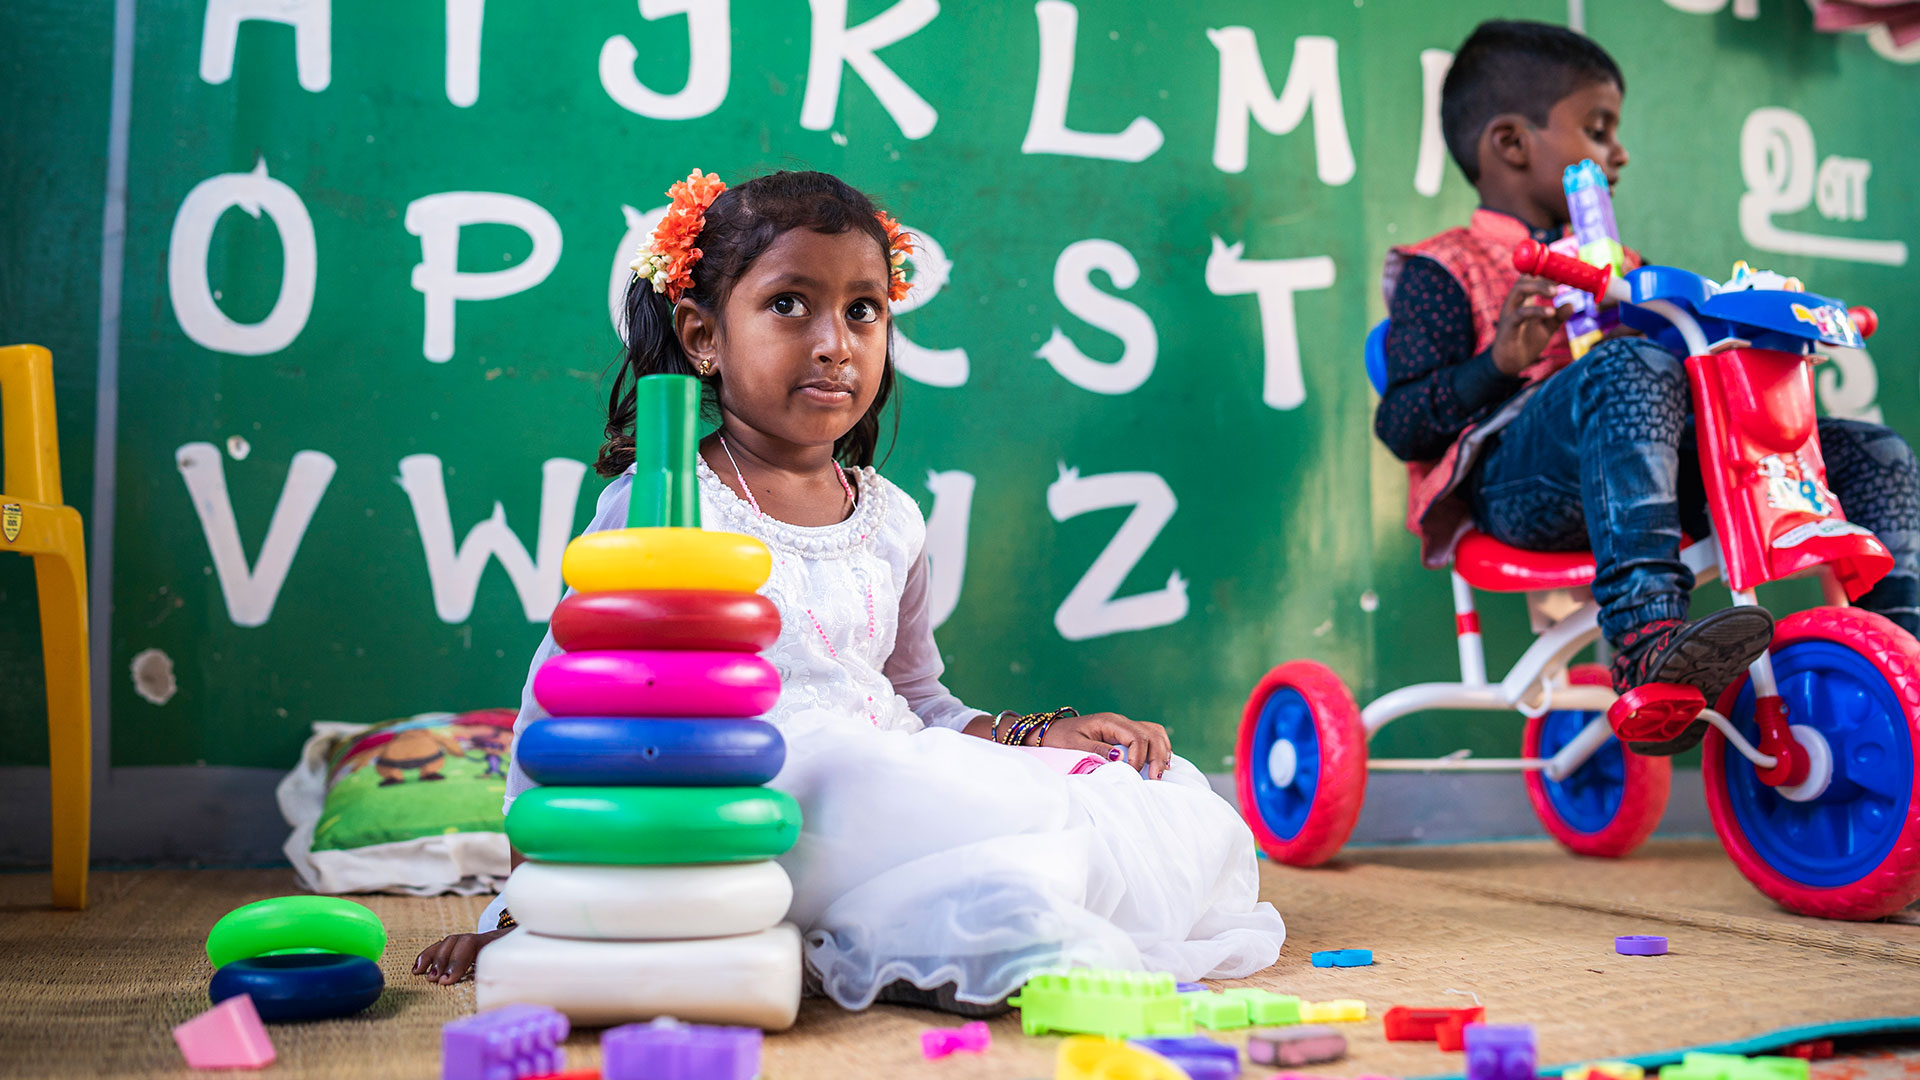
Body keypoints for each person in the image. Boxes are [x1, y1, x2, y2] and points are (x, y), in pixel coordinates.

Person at [413, 168, 1286, 1013]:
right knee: (872, 781)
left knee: (1159, 801)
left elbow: (917, 701)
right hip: (744, 807)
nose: (835, 341)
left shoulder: (892, 517)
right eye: (789, 304)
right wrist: (538, 914)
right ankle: (945, 925)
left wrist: (1032, 732)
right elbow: (563, 711)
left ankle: (945, 936)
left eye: (862, 310)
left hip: (888, 786)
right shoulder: (664, 505)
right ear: (702, 336)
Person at [1374, 19, 1920, 753]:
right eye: (1598, 132)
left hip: (1648, 475)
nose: (1618, 153)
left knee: (1871, 450)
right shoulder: (1442, 269)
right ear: (1512, 143)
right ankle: (1646, 642)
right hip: (1521, 495)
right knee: (1626, 369)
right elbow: (1403, 424)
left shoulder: (1630, 271)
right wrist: (1497, 363)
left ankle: (1898, 660)